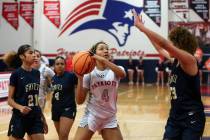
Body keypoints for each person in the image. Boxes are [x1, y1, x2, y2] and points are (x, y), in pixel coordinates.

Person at [133, 10, 206, 140]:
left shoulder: (189, 60)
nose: (169, 46)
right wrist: (143, 31)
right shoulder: (175, 61)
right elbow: (160, 48)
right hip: (175, 116)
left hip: (192, 118)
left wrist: (142, 27)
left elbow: (164, 44)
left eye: (172, 43)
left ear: (179, 45)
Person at [74, 41, 126, 140]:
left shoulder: (116, 70)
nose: (106, 50)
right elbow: (79, 101)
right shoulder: (89, 74)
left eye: (107, 49)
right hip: (92, 115)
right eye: (101, 49)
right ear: (94, 54)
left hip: (109, 117)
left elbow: (122, 74)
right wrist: (80, 79)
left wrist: (103, 59)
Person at [6, 44, 48, 140]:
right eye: (30, 53)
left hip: (35, 116)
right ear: (22, 56)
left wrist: (43, 118)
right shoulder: (16, 74)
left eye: (34, 53)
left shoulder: (36, 73)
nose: (34, 55)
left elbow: (36, 100)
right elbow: (9, 100)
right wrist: (20, 107)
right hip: (19, 117)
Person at [51, 56, 77, 140]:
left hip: (68, 108)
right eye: (57, 64)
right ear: (54, 66)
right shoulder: (53, 78)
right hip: (55, 109)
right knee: (61, 137)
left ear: (65, 65)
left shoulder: (71, 76)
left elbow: (81, 84)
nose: (59, 66)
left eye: (62, 64)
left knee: (63, 135)